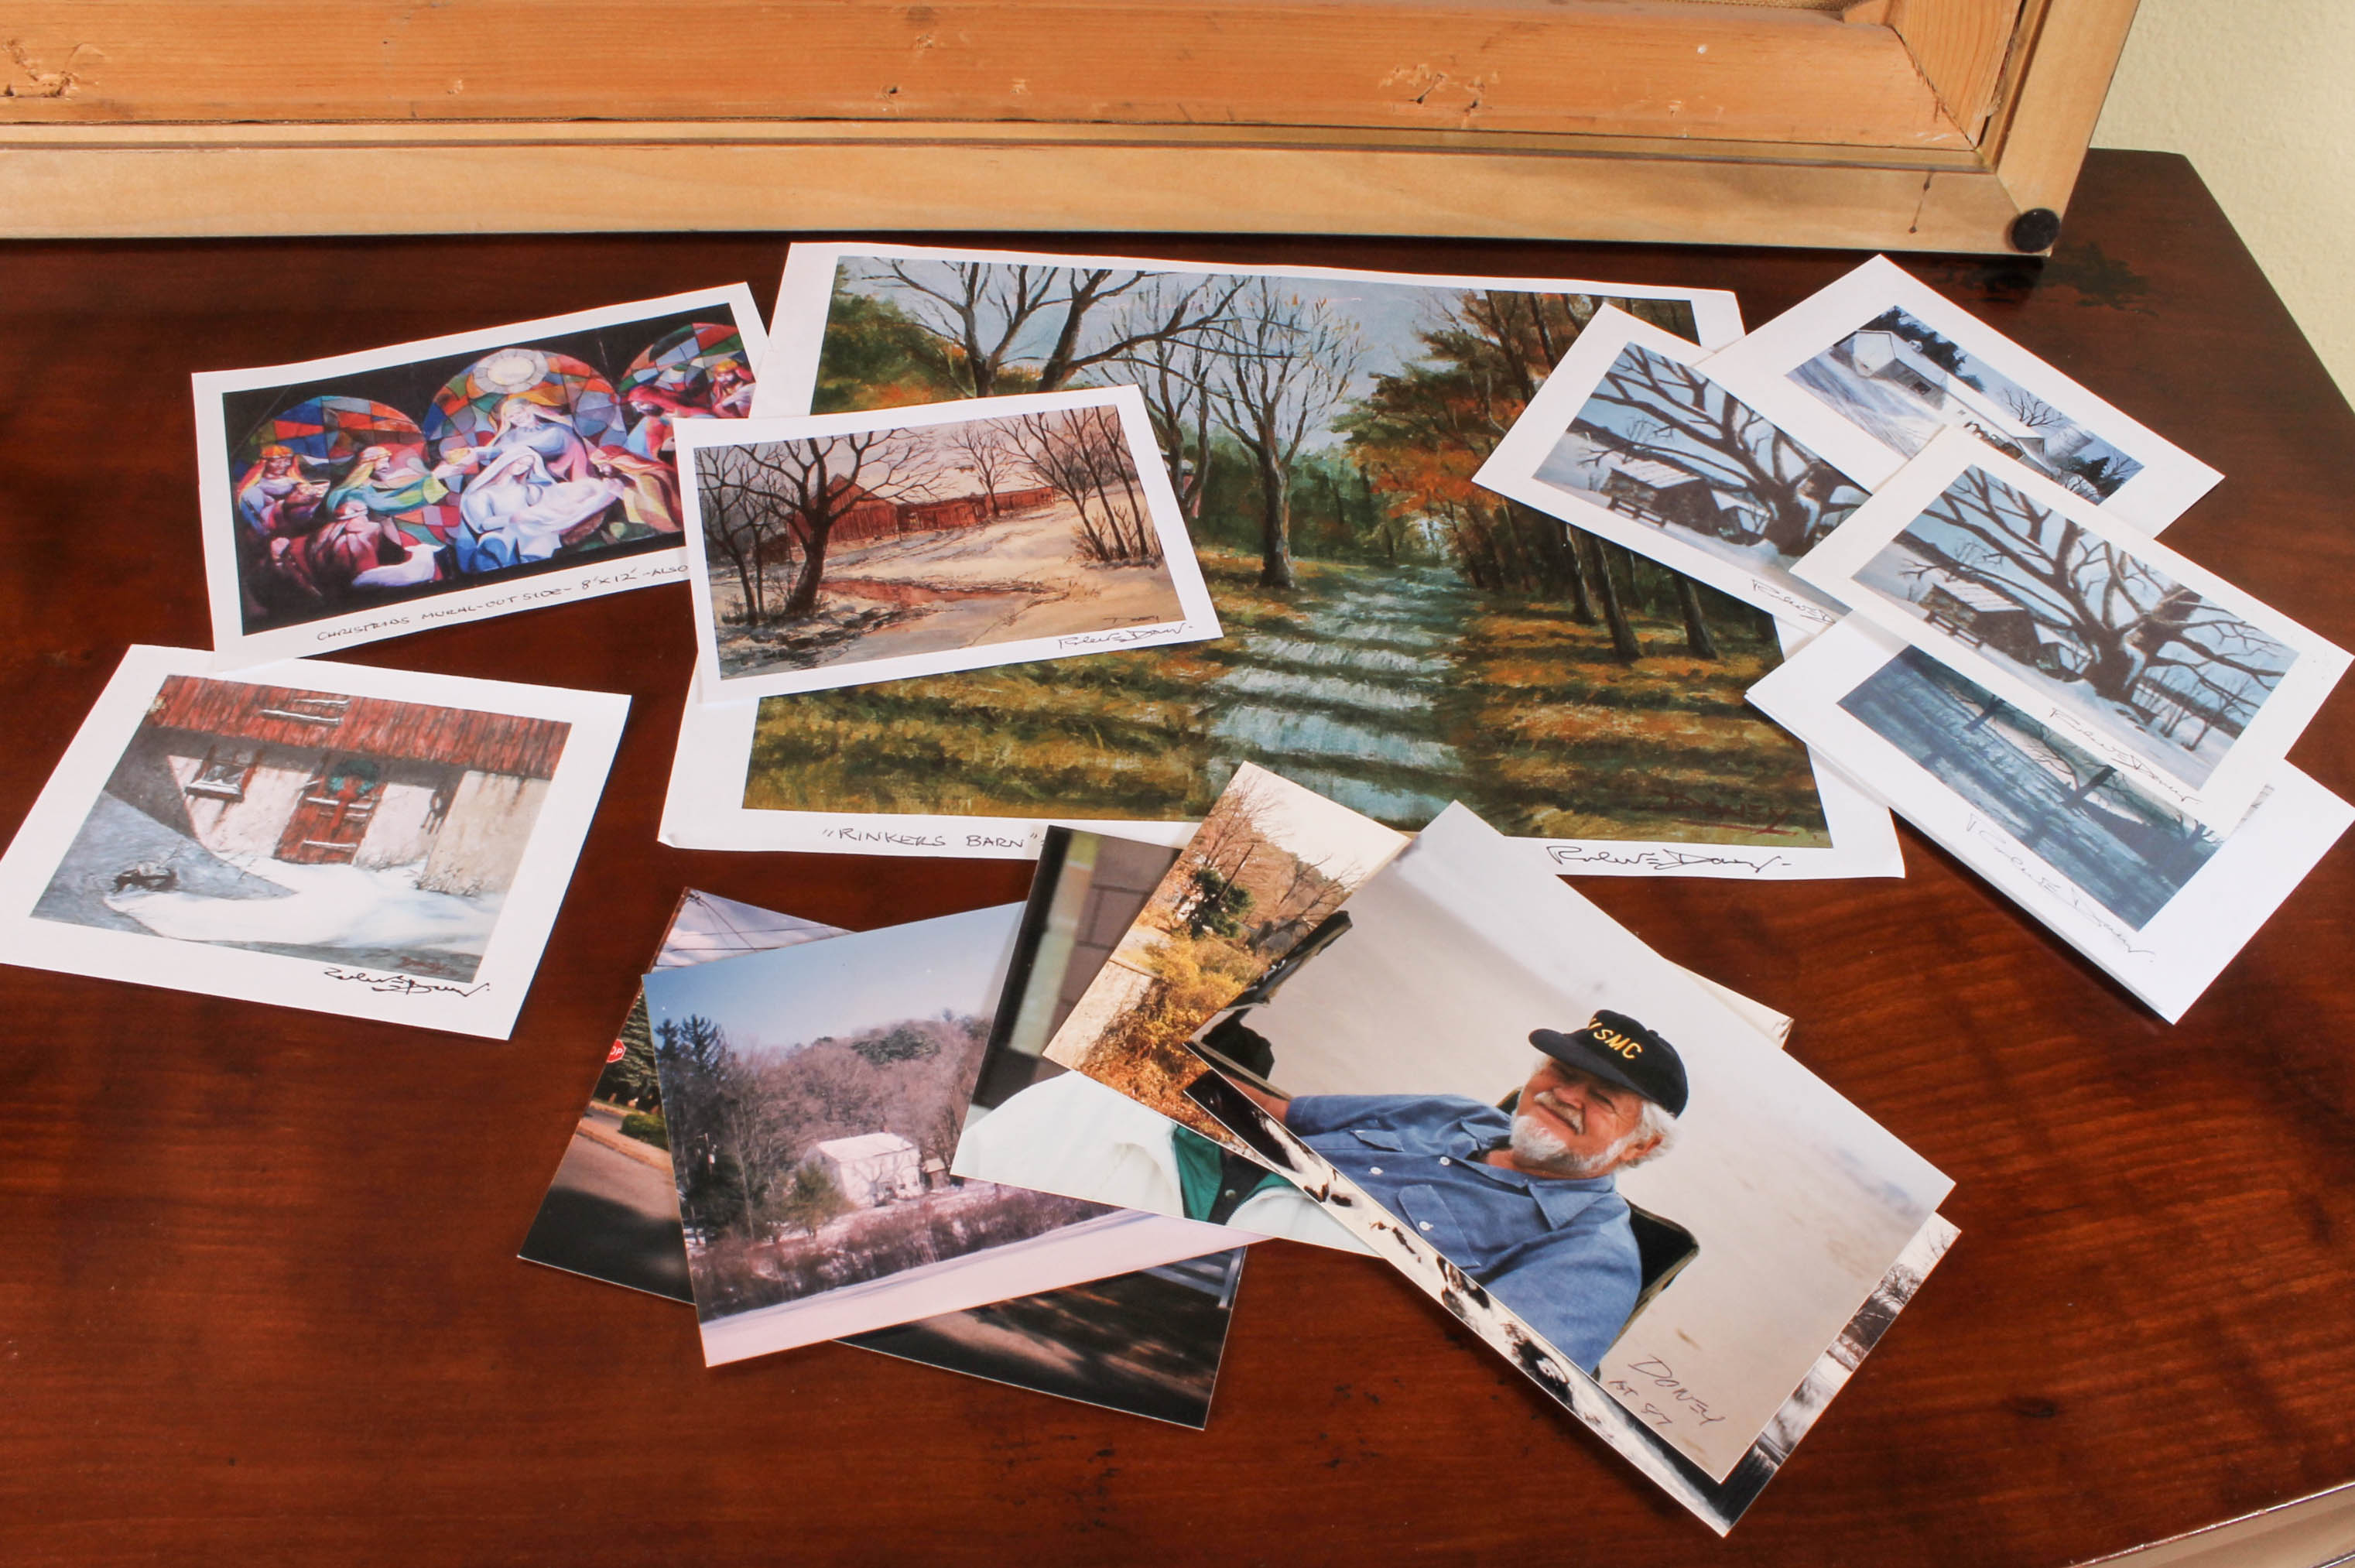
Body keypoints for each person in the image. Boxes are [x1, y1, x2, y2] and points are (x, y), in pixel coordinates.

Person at [1240, 1010, 1688, 1374]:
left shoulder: (1592, 1258)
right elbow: (1278, 1114)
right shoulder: (1456, 1114)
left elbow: (1456, 1377)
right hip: (1225, 1176)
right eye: (1562, 1072)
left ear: (1641, 1145)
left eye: (1603, 1098)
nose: (1565, 1095)